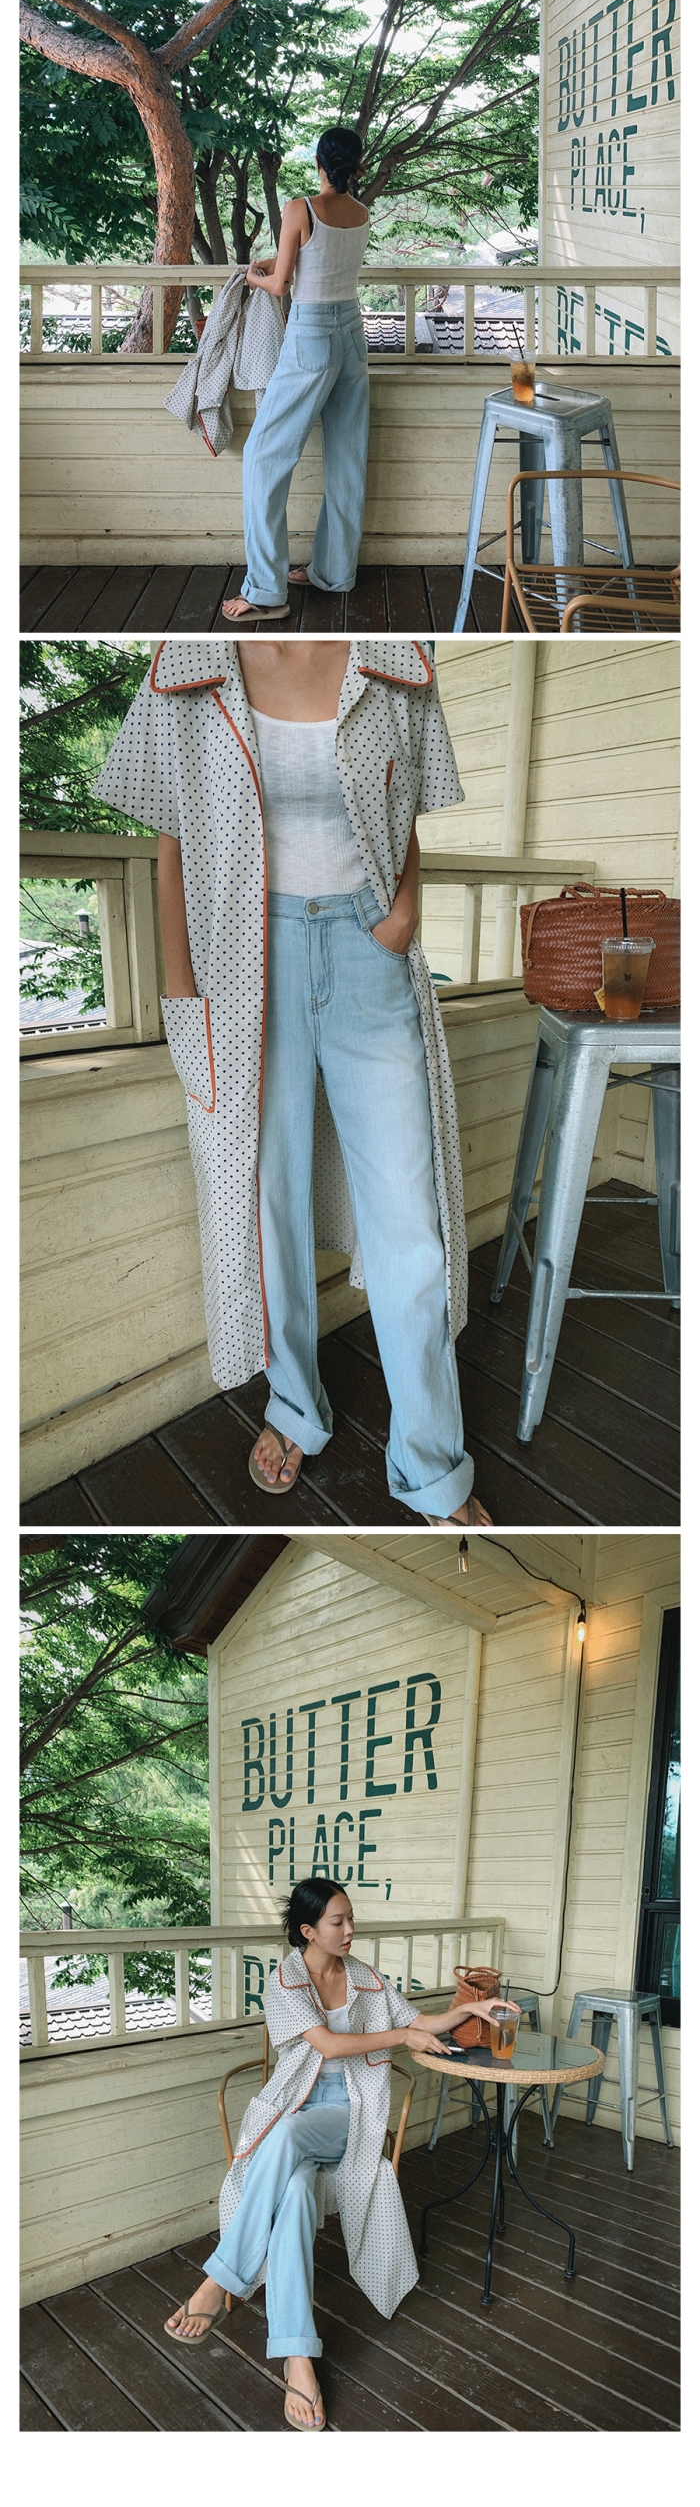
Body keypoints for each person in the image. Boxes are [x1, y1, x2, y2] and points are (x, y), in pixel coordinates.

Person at [95, 634, 491, 1526]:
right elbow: (169, 837)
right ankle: (295, 1407)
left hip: (368, 951)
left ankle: (431, 1464)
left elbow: (407, 808)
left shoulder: (395, 658)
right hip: (240, 961)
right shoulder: (185, 665)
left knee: (411, 1223)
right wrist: (181, 987)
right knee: (266, 1203)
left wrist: (402, 914)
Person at [163, 1876, 477, 2425]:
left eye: (351, 1918)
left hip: (348, 2110)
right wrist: (401, 2039)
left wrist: (476, 2008)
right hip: (295, 2103)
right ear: (308, 1931)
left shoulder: (365, 1978)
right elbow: (327, 2045)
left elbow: (420, 2022)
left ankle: (219, 2280)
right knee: (295, 2193)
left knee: (285, 2136)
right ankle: (298, 2356)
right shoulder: (286, 1980)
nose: (350, 1929)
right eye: (338, 1921)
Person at [220, 125, 371, 623]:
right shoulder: (360, 212)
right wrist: (275, 265)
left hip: (312, 336)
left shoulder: (299, 208)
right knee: (347, 457)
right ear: (355, 165)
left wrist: (252, 275)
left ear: (319, 164)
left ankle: (266, 591)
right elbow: (316, 260)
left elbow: (281, 284)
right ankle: (334, 572)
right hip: (352, 334)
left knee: (264, 455)